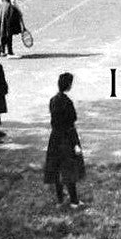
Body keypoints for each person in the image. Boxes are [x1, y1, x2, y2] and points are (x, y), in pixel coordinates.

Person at [44, 72, 85, 208]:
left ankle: (60, 200)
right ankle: (74, 201)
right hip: (67, 139)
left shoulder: (53, 100)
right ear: (69, 86)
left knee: (57, 169)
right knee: (70, 170)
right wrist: (75, 144)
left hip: (55, 138)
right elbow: (70, 124)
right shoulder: (67, 103)